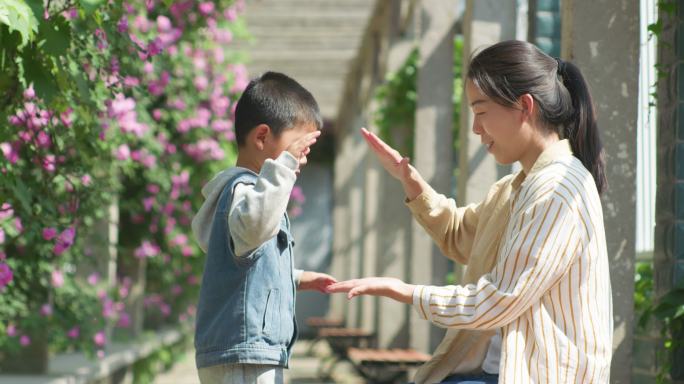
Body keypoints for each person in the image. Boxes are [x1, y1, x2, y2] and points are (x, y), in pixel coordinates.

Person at [327, 40, 613, 383]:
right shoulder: (517, 187)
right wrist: (412, 183)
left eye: (480, 112)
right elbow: (461, 236)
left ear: (524, 107)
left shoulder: (557, 188)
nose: (476, 129)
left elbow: (500, 298)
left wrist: (405, 291)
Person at [192, 71, 337, 384]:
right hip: (245, 355)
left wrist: (295, 278)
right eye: (299, 147)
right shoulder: (246, 191)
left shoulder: (250, 196)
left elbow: (248, 263)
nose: (302, 160)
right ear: (262, 137)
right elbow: (254, 228)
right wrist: (285, 165)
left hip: (245, 352)